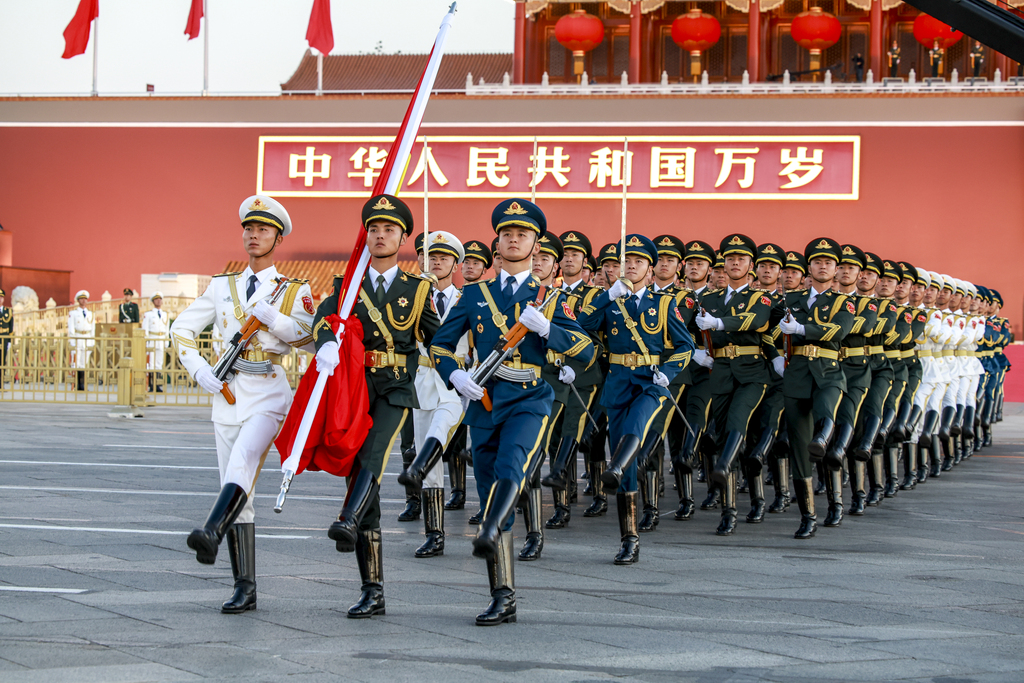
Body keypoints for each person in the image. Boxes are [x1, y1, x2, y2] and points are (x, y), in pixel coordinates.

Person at [430, 198, 594, 625]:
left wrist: (550, 329)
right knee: (489, 488)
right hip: (483, 402)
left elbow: (587, 351)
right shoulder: (473, 294)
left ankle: (487, 530)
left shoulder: (550, 297)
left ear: (536, 244)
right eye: (507, 234)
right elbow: (440, 345)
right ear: (496, 243)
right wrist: (455, 376)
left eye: (523, 234)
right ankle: (503, 595)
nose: (514, 239)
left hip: (530, 399)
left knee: (513, 467)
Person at [172, 195, 315, 614]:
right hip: (227, 394)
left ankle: (212, 531)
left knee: (244, 462)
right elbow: (181, 329)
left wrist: (278, 321)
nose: (254, 236)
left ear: (278, 237)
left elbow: (311, 340)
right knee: (238, 490)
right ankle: (244, 586)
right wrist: (200, 371)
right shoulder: (221, 286)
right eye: (249, 229)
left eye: (263, 230)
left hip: (269, 391)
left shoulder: (294, 289)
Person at [314, 194, 440, 619]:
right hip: (353, 387)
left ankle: (347, 516)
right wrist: (325, 344)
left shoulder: (418, 288)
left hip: (395, 388)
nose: (380, 235)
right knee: (359, 474)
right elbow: (322, 320)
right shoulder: (346, 284)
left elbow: (437, 339)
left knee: (373, 455)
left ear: (403, 237)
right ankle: (373, 589)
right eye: (374, 229)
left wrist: (458, 373)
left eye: (389, 229)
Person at [577, 234, 693, 563]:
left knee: (638, 425)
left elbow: (685, 346)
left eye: (638, 262)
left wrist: (669, 372)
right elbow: (581, 326)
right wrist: (604, 298)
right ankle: (629, 538)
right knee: (625, 463)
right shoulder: (610, 300)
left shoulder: (665, 304)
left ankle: (613, 468)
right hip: (617, 384)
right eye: (625, 262)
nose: (631, 267)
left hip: (651, 384)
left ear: (650, 268)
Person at [696, 234, 774, 536]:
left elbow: (756, 320)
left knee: (738, 422)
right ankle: (730, 510)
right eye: (730, 259)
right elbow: (692, 328)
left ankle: (724, 465)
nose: (735, 263)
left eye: (741, 259)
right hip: (721, 372)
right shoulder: (710, 300)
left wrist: (718, 324)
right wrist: (697, 351)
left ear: (750, 265)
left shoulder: (760, 298)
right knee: (738, 434)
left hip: (752, 373)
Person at [398, 230, 469, 559]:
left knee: (441, 429)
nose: (436, 261)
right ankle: (434, 534)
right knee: (432, 466)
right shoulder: (412, 297)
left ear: (456, 264)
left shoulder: (468, 298)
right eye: (430, 256)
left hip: (456, 382)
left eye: (443, 257)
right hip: (423, 381)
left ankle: (420, 463)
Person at [778, 238, 855, 539]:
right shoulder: (792, 300)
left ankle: (835, 502)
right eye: (817, 262)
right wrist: (775, 353)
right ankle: (807, 515)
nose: (823, 266)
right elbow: (774, 331)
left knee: (825, 420)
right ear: (808, 268)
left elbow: (840, 329)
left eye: (829, 262)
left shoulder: (842, 302)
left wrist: (801, 329)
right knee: (800, 447)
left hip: (828, 374)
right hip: (796, 375)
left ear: (836, 270)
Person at [543, 229, 603, 530]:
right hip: (553, 372)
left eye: (575, 255)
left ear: (585, 262)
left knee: (573, 429)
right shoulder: (546, 294)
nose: (569, 259)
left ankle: (591, 491)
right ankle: (561, 505)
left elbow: (595, 335)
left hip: (584, 373)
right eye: (564, 255)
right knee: (553, 436)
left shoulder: (596, 295)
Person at [143, 292, 170, 393]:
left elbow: (167, 329)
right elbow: (145, 329)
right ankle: (151, 385)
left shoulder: (165, 314)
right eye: (156, 299)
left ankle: (157, 384)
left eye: (160, 299)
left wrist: (166, 342)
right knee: (151, 363)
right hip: (152, 339)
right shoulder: (149, 314)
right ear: (153, 301)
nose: (158, 301)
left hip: (161, 339)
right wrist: (146, 342)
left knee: (159, 363)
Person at [68, 290, 95, 391]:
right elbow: (71, 329)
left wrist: (92, 341)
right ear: (78, 300)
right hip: (78, 337)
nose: (84, 301)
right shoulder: (73, 313)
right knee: (76, 361)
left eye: (85, 299)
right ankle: (75, 384)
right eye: (81, 299)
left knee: (84, 362)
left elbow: (93, 329)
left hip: (87, 338)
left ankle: (82, 385)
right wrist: (73, 341)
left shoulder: (91, 314)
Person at [0, 288, 11, 377]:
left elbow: (11, 328)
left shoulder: (8, 311)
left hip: (4, 338)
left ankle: (1, 384)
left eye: (1, 297)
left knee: (2, 361)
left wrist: (10, 341)